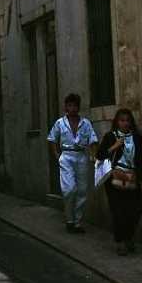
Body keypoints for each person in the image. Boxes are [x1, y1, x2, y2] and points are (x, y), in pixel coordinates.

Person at [96, 108, 142, 255]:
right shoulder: (110, 136)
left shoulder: (137, 138)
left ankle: (129, 237)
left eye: (127, 120)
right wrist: (114, 146)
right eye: (122, 120)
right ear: (117, 122)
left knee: (137, 209)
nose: (125, 123)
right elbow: (99, 155)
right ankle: (121, 242)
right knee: (119, 212)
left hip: (132, 177)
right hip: (115, 178)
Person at [48, 93, 98, 233]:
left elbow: (93, 140)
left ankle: (77, 222)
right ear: (66, 107)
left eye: (75, 105)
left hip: (81, 156)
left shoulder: (85, 123)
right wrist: (57, 155)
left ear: (78, 107)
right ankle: (69, 219)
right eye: (69, 105)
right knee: (69, 189)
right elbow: (52, 139)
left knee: (82, 190)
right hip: (66, 156)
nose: (72, 108)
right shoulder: (60, 123)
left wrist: (93, 156)